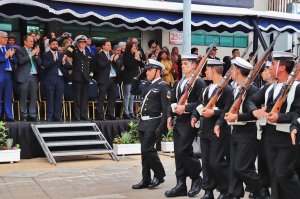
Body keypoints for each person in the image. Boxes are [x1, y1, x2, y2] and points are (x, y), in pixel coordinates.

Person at [246, 51, 300, 199]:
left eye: (274, 64)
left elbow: (298, 112)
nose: (270, 68)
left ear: (282, 67)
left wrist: (280, 117)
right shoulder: (269, 88)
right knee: (274, 175)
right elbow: (251, 100)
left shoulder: (297, 87)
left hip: (287, 138)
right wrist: (254, 111)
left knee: (284, 174)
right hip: (269, 137)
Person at [165, 54, 205, 198]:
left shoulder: (199, 82)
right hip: (179, 121)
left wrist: (186, 108)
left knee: (183, 151)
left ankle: (196, 177)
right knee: (178, 153)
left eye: (186, 64)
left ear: (194, 66)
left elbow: (201, 103)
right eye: (182, 64)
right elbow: (173, 101)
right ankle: (180, 184)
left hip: (190, 121)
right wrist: (170, 115)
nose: (182, 66)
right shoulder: (179, 83)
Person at [191, 59, 232, 199]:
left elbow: (228, 110)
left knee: (217, 162)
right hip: (205, 130)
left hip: (219, 130)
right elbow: (200, 104)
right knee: (206, 162)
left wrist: (213, 113)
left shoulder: (227, 89)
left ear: (213, 70)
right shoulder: (207, 88)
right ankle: (208, 191)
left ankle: (225, 189)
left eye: (206, 69)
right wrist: (195, 116)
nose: (204, 72)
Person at [224, 57, 262, 199]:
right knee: (234, 167)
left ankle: (261, 190)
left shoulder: (252, 89)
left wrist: (237, 117)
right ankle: (235, 193)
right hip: (236, 131)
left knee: (242, 167)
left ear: (237, 71)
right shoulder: (235, 88)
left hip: (248, 132)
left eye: (232, 69)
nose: (231, 72)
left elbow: (254, 115)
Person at [130, 59, 170, 189]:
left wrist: (162, 126)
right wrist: (140, 75)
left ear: (158, 72)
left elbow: (166, 108)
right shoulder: (148, 84)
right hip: (143, 122)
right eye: (146, 69)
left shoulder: (163, 86)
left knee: (148, 150)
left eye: (150, 70)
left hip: (154, 121)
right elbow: (133, 90)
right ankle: (145, 179)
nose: (147, 72)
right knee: (144, 152)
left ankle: (159, 175)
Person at [41, 38, 71, 121]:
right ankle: (49, 116)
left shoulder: (61, 55)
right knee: (50, 98)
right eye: (53, 44)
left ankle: (57, 116)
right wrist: (53, 60)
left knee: (59, 98)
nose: (55, 46)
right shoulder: (45, 54)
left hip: (60, 78)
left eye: (56, 44)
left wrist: (64, 62)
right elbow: (44, 66)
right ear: (50, 45)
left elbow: (69, 66)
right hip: (49, 79)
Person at [65, 35, 93, 121]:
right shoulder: (75, 51)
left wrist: (91, 76)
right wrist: (73, 44)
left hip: (86, 78)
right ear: (78, 43)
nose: (83, 43)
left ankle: (84, 115)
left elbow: (91, 66)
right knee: (77, 98)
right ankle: (77, 116)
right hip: (78, 77)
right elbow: (68, 53)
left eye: (84, 42)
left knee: (85, 98)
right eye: (81, 42)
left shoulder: (88, 52)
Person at [15, 35, 41, 121]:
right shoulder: (19, 50)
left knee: (34, 96)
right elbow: (21, 61)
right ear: (25, 42)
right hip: (24, 76)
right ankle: (24, 115)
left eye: (33, 41)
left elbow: (40, 63)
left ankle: (32, 114)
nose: (32, 43)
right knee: (23, 96)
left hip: (34, 76)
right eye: (30, 41)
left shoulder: (33, 51)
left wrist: (36, 55)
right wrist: (31, 54)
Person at [94, 40, 120, 120]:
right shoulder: (99, 55)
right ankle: (100, 115)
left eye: (110, 45)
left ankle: (111, 114)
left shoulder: (112, 54)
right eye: (108, 45)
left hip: (113, 78)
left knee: (112, 97)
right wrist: (110, 60)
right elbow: (101, 65)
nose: (110, 46)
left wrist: (115, 61)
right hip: (104, 79)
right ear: (103, 46)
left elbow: (117, 66)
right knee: (101, 97)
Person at [122, 42, 144, 119]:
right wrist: (135, 58)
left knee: (132, 96)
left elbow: (142, 65)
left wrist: (138, 59)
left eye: (135, 47)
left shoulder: (136, 55)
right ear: (129, 47)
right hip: (128, 77)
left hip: (135, 78)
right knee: (127, 95)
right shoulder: (125, 54)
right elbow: (129, 65)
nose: (135, 48)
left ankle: (131, 112)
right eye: (133, 47)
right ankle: (126, 112)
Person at [0, 31, 17, 121]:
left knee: (8, 96)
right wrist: (5, 56)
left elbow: (15, 60)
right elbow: (3, 58)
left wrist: (12, 57)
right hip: (1, 73)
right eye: (4, 37)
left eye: (7, 37)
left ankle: (9, 116)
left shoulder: (8, 47)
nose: (6, 39)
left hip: (9, 74)